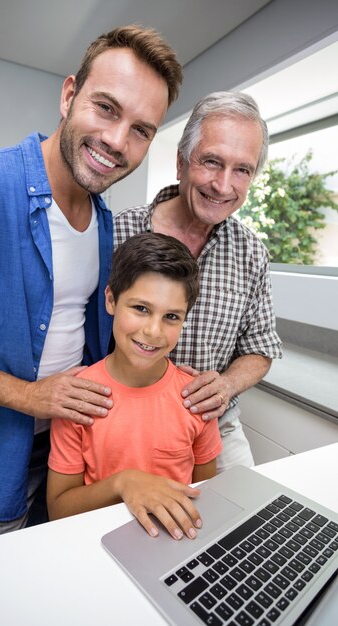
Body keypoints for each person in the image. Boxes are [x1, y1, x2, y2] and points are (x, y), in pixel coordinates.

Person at [0, 25, 183, 545]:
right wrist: (30, 396)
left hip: (73, 445)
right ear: (69, 95)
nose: (116, 141)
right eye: (106, 108)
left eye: (140, 129)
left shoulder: (103, 217)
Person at [114, 92, 283, 473]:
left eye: (242, 170)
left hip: (212, 420)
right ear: (180, 162)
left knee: (246, 519)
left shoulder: (251, 253)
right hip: (123, 411)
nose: (223, 186)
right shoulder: (115, 231)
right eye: (211, 162)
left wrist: (225, 386)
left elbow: (260, 348)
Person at [47, 232, 222, 540]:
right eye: (140, 308)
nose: (153, 330)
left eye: (171, 317)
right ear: (111, 300)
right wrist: (123, 483)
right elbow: (58, 510)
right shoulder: (79, 395)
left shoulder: (195, 397)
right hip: (95, 542)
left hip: (175, 544)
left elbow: (206, 494)